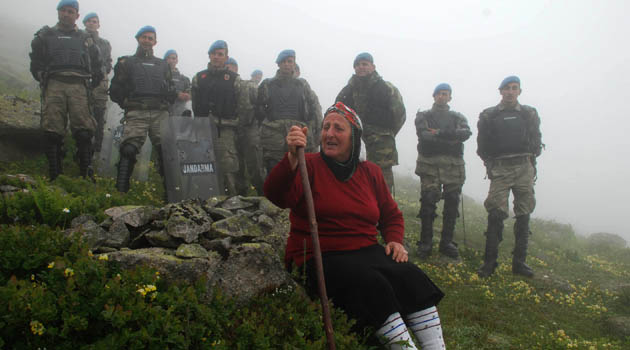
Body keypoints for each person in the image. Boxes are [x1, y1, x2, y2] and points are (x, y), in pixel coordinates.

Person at [264, 102, 446, 350]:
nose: (329, 134)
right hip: (319, 254)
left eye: (338, 128)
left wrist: (394, 240)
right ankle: (403, 346)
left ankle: (435, 346)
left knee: (409, 275)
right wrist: (291, 159)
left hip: (364, 249)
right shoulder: (307, 165)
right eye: (326, 127)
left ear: (354, 138)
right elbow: (276, 195)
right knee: (371, 283)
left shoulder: (369, 171)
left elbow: (390, 214)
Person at [476, 76, 542, 278]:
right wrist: (492, 163)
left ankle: (519, 263)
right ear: (500, 91)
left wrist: (530, 160)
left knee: (524, 213)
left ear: (519, 91)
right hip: (501, 168)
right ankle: (489, 263)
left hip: (524, 166)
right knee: (496, 212)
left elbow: (536, 141)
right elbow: (482, 145)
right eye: (507, 88)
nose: (510, 92)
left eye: (514, 88)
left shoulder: (530, 114)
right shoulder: (488, 115)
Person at [29, 0, 103, 180]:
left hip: (79, 85)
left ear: (77, 15)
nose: (66, 14)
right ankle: (55, 175)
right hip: (54, 84)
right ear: (58, 12)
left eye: (71, 11)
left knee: (84, 131)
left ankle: (85, 174)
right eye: (63, 10)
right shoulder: (44, 36)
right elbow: (36, 63)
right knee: (52, 131)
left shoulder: (86, 39)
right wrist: (42, 77)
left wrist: (90, 86)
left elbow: (98, 65)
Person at [109, 25, 175, 193]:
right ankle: (120, 193)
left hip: (159, 113)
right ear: (138, 38)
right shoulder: (126, 62)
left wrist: (167, 100)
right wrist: (126, 103)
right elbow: (115, 89)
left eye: (150, 38)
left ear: (155, 42)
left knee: (165, 152)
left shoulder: (163, 65)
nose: (147, 40)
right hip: (136, 111)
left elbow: (171, 89)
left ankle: (171, 195)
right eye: (144, 37)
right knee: (128, 149)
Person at [415, 83, 472, 260]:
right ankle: (425, 242)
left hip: (453, 165)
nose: (442, 96)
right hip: (429, 164)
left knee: (452, 203)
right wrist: (451, 137)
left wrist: (438, 133)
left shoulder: (458, 117)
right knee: (428, 202)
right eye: (439, 93)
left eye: (445, 94)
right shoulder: (423, 115)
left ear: (450, 97)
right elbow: (424, 135)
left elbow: (465, 134)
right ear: (434, 96)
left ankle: (446, 242)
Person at [336, 52, 406, 194]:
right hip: (353, 147)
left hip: (381, 150)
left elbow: (399, 116)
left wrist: (385, 136)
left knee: (382, 189)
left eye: (365, 64)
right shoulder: (346, 91)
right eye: (358, 65)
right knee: (353, 187)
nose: (361, 67)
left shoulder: (388, 89)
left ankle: (384, 216)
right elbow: (336, 116)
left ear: (373, 66)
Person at [191, 40, 253, 195]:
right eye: (214, 54)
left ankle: (230, 201)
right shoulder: (199, 78)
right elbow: (195, 103)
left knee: (228, 168)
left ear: (226, 57)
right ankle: (204, 199)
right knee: (202, 166)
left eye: (220, 54)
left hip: (226, 129)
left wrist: (238, 126)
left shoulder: (234, 79)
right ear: (209, 55)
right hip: (203, 129)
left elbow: (244, 106)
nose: (216, 57)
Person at [255, 49, 322, 174]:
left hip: (300, 133)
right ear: (278, 64)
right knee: (275, 171)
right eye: (283, 62)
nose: (286, 64)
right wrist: (267, 127)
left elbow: (314, 109)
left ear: (294, 63)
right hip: (273, 138)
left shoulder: (302, 85)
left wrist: (314, 132)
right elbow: (258, 110)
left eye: (289, 61)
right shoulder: (267, 84)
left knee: (302, 171)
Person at [82, 12, 111, 156]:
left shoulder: (105, 43)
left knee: (99, 114)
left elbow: (108, 62)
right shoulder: (78, 37)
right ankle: (81, 148)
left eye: (95, 21)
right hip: (81, 78)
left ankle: (95, 151)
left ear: (98, 24)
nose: (92, 23)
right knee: (82, 112)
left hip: (101, 82)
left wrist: (102, 74)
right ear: (84, 23)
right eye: (89, 21)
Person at [163, 49, 192, 117]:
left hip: (180, 115)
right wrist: (176, 95)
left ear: (177, 61)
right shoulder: (160, 77)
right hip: (163, 113)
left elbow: (190, 93)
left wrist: (188, 95)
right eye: (168, 58)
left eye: (173, 58)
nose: (171, 60)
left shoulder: (184, 79)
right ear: (164, 60)